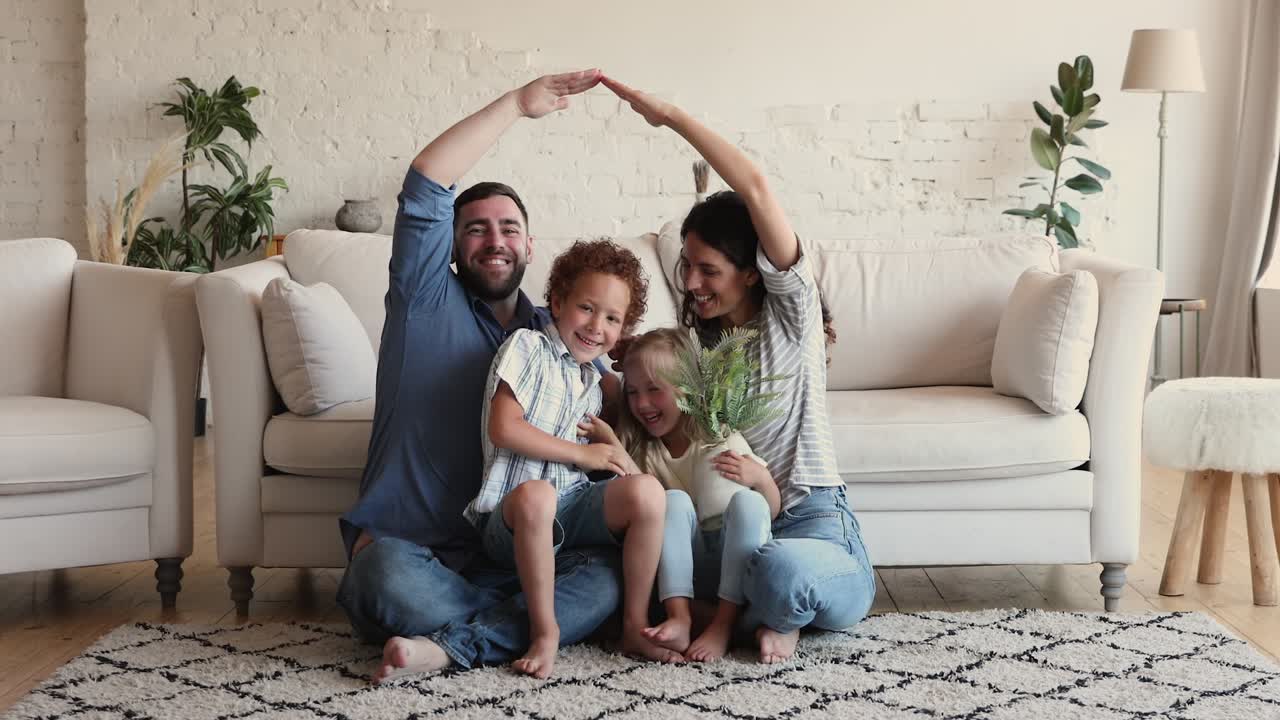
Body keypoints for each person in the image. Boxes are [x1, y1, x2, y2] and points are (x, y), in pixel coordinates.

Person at [336, 69, 627, 684]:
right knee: (379, 577)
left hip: (514, 549)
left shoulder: (559, 333)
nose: (495, 240)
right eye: (476, 228)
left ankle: (447, 647)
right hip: (416, 556)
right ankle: (527, 626)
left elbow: (623, 391)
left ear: (530, 246)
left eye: (509, 229)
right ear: (451, 244)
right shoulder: (423, 300)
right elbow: (425, 183)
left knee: (607, 573)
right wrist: (519, 105)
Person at [602, 76, 876, 664]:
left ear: (751, 270)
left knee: (779, 572)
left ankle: (774, 607)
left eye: (709, 270)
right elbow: (654, 402)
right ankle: (757, 619)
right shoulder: (696, 339)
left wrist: (670, 114)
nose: (693, 284)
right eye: (687, 268)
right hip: (726, 525)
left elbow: (754, 186)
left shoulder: (790, 315)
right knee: (644, 564)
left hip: (806, 518)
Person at [461, 239, 677, 679]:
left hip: (571, 508)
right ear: (557, 303)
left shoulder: (593, 380)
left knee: (648, 492)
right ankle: (545, 632)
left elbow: (631, 405)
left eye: (612, 318)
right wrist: (584, 453)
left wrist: (620, 371)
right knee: (539, 495)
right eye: (586, 308)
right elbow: (504, 428)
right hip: (509, 518)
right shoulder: (527, 346)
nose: (597, 326)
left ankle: (634, 627)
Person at [590, 328, 778, 662]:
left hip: (739, 562)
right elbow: (641, 500)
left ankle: (722, 624)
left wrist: (761, 479)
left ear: (687, 390)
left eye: (654, 390)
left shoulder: (715, 436)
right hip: (686, 575)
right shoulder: (645, 451)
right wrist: (614, 441)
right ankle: (681, 616)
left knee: (749, 502)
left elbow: (769, 514)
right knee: (672, 500)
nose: (642, 404)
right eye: (632, 392)